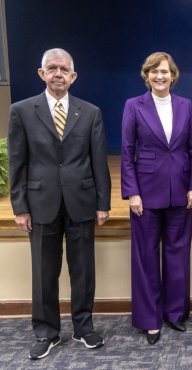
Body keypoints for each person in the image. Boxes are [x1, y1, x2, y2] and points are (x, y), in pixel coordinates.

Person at [8, 48, 111, 359]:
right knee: (44, 272)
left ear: (73, 76)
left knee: (83, 270)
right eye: (52, 68)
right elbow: (17, 162)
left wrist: (102, 202)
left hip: (80, 202)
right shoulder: (22, 111)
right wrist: (20, 206)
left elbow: (98, 161)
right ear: (42, 74)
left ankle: (83, 327)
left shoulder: (90, 112)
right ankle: (46, 331)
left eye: (64, 69)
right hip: (40, 203)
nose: (58, 74)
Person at [121, 52, 192, 345]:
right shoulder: (134, 106)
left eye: (165, 72)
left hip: (181, 193)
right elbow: (127, 152)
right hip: (144, 195)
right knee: (145, 258)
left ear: (173, 76)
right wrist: (132, 192)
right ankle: (149, 319)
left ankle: (174, 313)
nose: (160, 76)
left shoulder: (186, 106)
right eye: (154, 71)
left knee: (177, 256)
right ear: (147, 75)